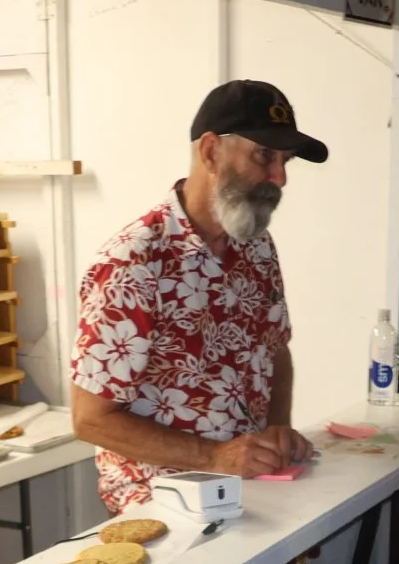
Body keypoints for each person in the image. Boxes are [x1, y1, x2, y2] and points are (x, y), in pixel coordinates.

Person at [71, 80, 320, 512]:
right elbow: (90, 418)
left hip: (250, 490)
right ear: (210, 152)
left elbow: (276, 350)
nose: (279, 177)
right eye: (265, 155)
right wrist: (215, 458)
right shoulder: (133, 263)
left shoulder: (255, 246)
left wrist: (278, 427)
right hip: (161, 506)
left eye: (285, 160)